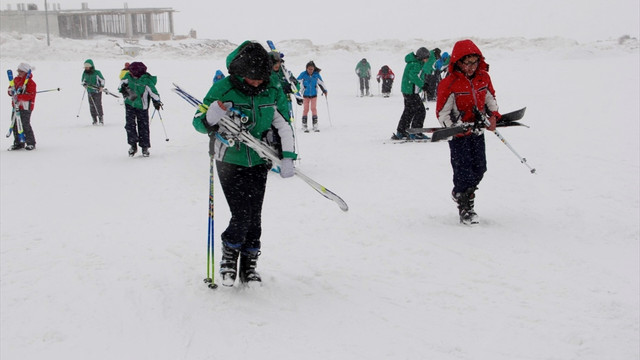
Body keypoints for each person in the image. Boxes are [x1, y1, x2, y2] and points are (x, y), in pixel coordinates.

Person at [192, 41, 297, 287]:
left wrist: (288, 155)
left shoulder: (271, 89)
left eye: (261, 78)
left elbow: (283, 124)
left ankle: (249, 264)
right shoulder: (223, 88)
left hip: (259, 160)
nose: (258, 83)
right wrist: (211, 117)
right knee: (241, 214)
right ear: (240, 72)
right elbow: (198, 122)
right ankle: (229, 257)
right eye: (252, 78)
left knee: (255, 216)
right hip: (229, 160)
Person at [436, 39, 501, 225]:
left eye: (474, 62)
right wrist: (454, 127)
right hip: (458, 135)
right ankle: (466, 206)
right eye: (467, 63)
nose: (471, 67)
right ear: (458, 62)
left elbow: (490, 98)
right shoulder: (449, 83)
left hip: (477, 130)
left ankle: (460, 193)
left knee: (480, 167)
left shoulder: (483, 78)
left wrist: (493, 115)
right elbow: (442, 112)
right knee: (463, 170)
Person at [118, 61, 162, 157]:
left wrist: (157, 101)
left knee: (143, 127)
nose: (130, 72)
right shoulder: (127, 77)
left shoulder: (146, 81)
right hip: (130, 104)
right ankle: (133, 145)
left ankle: (144, 147)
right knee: (130, 126)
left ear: (138, 72)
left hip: (142, 107)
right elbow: (120, 86)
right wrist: (123, 89)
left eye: (132, 71)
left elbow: (154, 92)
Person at [391, 47, 430, 140]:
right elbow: (413, 76)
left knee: (408, 111)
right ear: (421, 57)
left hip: (407, 91)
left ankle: (401, 131)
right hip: (411, 92)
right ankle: (416, 132)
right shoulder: (416, 64)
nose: (427, 60)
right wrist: (423, 85)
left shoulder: (413, 62)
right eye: (426, 57)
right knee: (421, 111)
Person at [7, 63, 37, 151]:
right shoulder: (16, 80)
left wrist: (19, 96)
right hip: (16, 106)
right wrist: (11, 92)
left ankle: (31, 143)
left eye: (21, 71)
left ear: (26, 72)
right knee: (15, 124)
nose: (18, 72)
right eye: (18, 71)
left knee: (24, 124)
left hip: (26, 107)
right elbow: (9, 89)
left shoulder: (31, 83)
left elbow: (30, 96)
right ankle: (18, 143)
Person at [297, 61, 328, 132]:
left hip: (314, 95)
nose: (310, 71)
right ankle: (304, 125)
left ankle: (315, 124)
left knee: (313, 109)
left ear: (314, 69)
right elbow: (297, 81)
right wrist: (296, 90)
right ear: (306, 69)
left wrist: (324, 90)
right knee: (306, 109)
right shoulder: (303, 74)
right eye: (309, 69)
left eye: (312, 69)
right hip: (305, 95)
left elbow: (321, 83)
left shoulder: (316, 75)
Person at [81, 59, 105, 125]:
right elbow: (83, 80)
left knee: (98, 104)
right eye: (85, 67)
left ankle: (101, 118)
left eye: (87, 67)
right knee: (91, 105)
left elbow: (102, 80)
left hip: (97, 91)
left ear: (91, 66)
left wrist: (101, 86)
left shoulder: (97, 72)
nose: (86, 68)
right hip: (89, 91)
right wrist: (84, 84)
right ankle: (94, 119)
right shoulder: (84, 73)